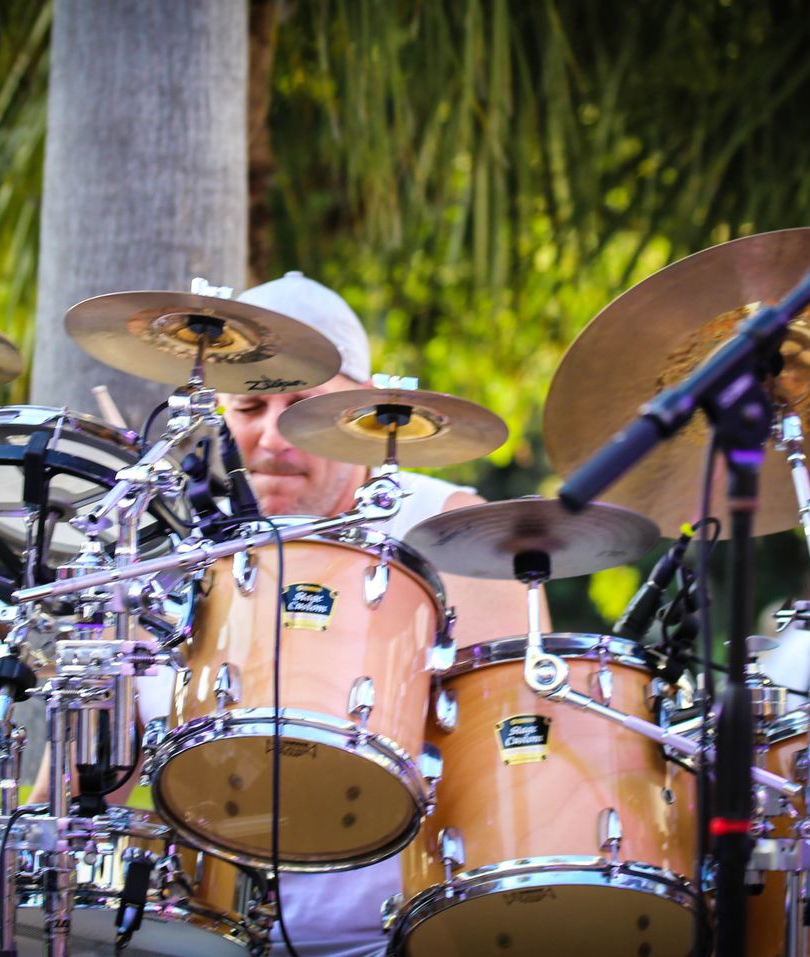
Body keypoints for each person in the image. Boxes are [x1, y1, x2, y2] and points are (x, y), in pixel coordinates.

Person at [225, 272, 541, 957]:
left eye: (300, 406)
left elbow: (516, 765)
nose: (272, 438)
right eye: (249, 405)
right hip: (204, 935)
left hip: (403, 938)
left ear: (362, 408)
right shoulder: (183, 547)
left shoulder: (453, 533)